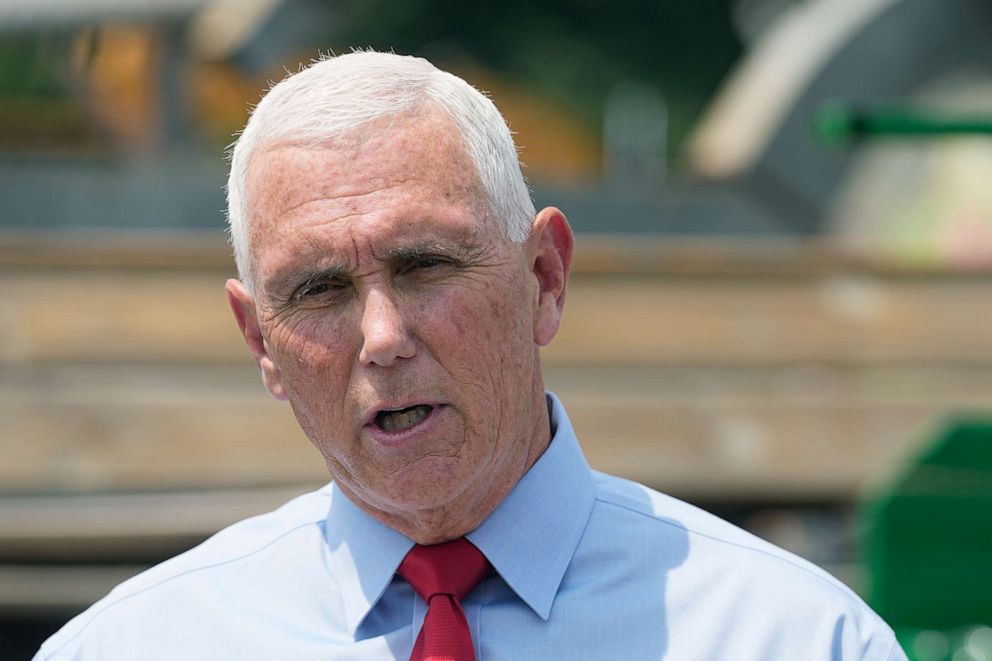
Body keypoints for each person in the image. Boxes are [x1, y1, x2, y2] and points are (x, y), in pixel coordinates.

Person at [36, 50, 907, 660]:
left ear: (545, 276)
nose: (382, 337)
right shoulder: (135, 645)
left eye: (424, 266)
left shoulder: (790, 638)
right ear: (261, 342)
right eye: (319, 290)